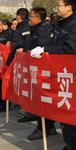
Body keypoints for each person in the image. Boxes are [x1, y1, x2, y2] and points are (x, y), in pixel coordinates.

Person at [32, 0, 76, 150]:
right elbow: (56, 44)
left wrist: (45, 49)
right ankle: (69, 144)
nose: (57, 8)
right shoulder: (60, 23)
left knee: (73, 112)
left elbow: (70, 49)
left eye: (59, 5)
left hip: (75, 75)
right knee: (63, 110)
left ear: (69, 7)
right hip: (60, 73)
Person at [25, 7, 57, 140]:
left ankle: (43, 127)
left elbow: (42, 48)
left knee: (42, 99)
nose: (29, 19)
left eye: (31, 16)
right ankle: (48, 126)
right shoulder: (37, 28)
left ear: (38, 19)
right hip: (37, 69)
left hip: (43, 70)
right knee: (40, 99)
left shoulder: (43, 29)